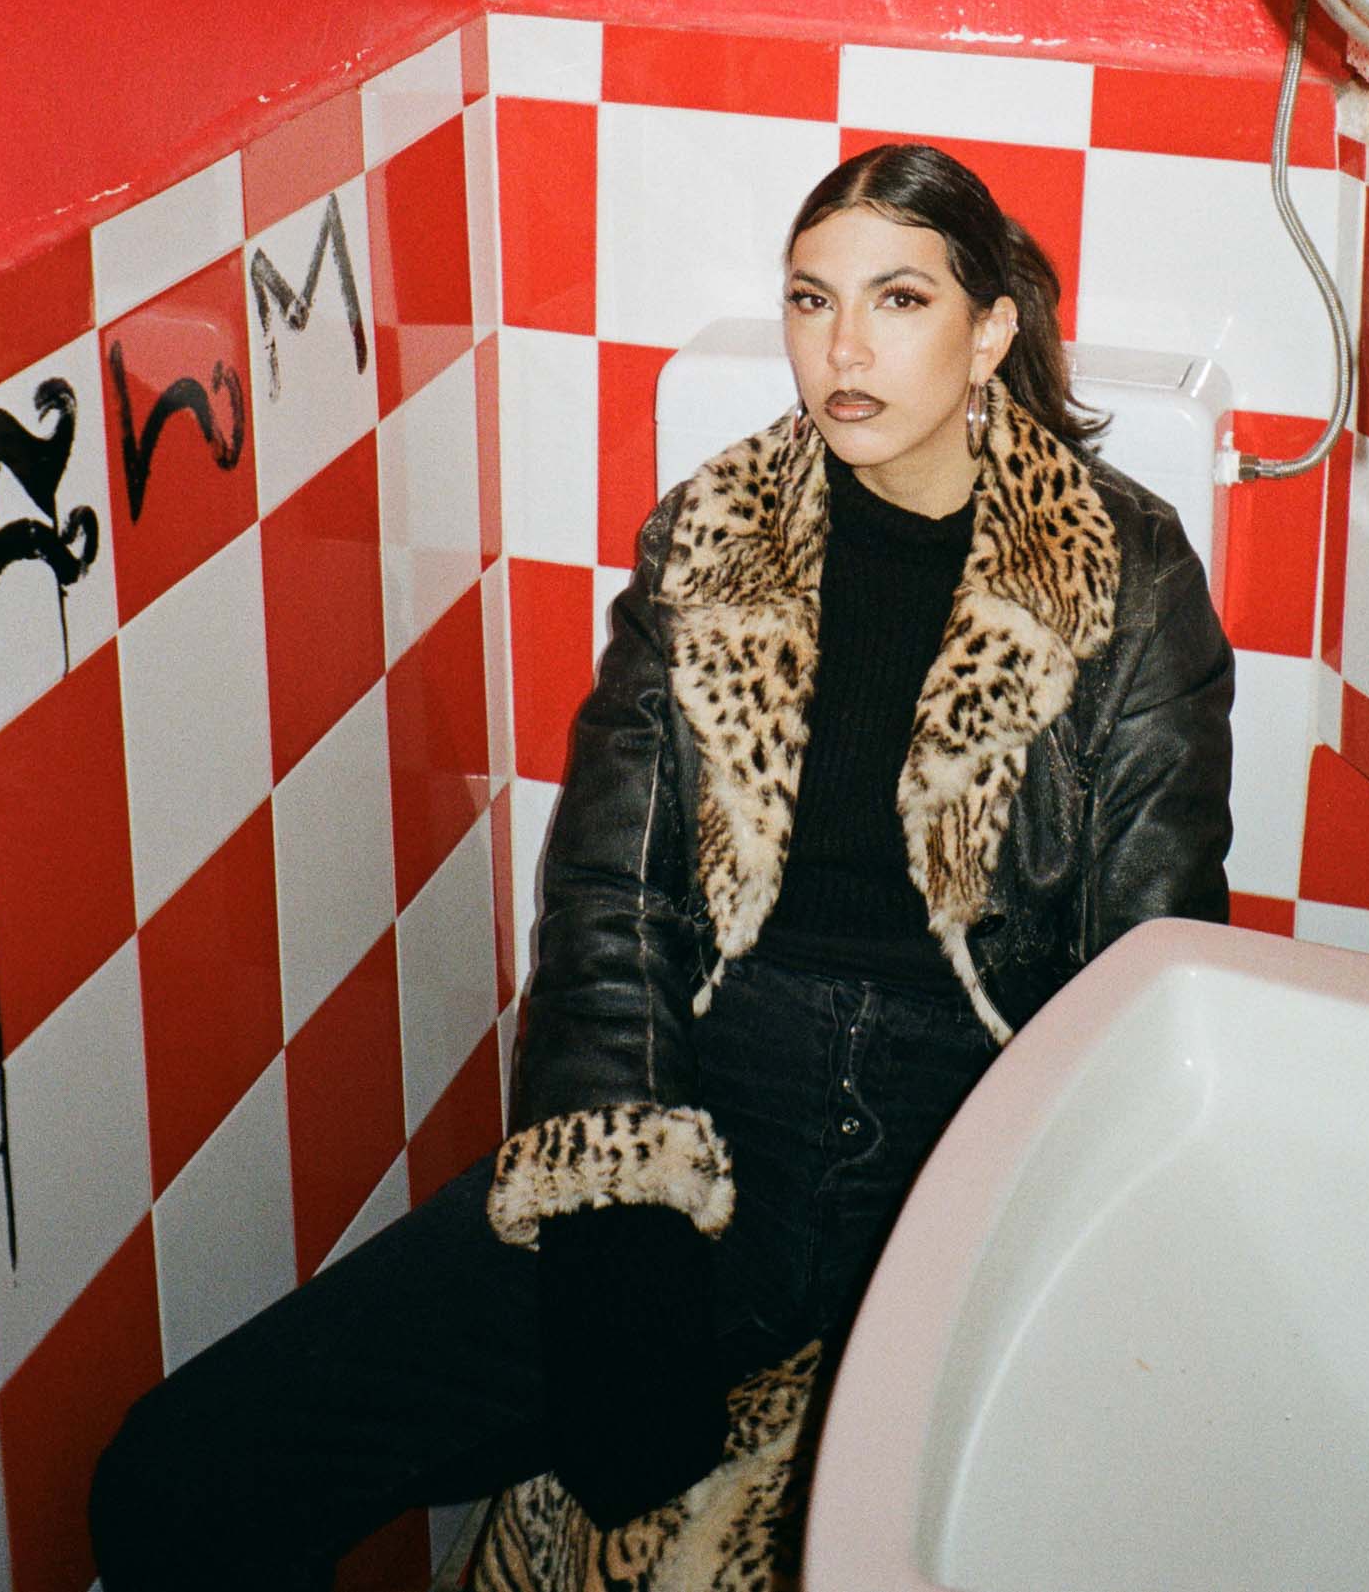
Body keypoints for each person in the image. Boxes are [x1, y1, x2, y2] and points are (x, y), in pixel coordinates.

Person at [90, 142, 1234, 1592]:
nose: (844, 347)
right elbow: (610, 898)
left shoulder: (1127, 575)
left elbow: (1148, 967)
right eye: (812, 299)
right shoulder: (710, 538)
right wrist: (621, 1213)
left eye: (898, 299)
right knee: (180, 1475)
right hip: (714, 1103)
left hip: (959, 1143)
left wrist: (1032, 1252)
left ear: (990, 329)